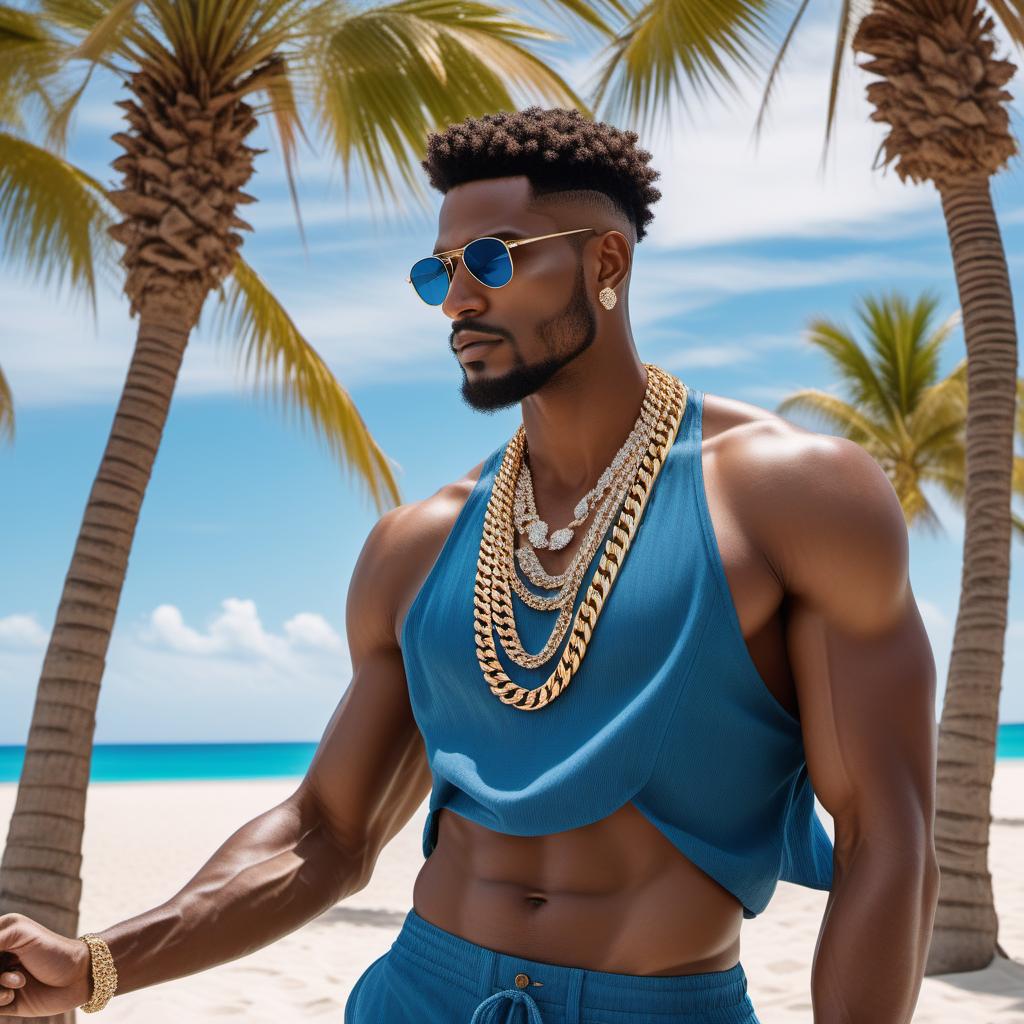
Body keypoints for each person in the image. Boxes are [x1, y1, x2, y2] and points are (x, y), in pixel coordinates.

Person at [0, 106, 939, 1023]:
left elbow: (886, 840)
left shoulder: (793, 497)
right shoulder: (416, 545)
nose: (456, 300)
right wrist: (96, 967)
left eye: (491, 259)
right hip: (419, 992)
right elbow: (325, 834)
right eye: (437, 272)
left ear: (604, 262)